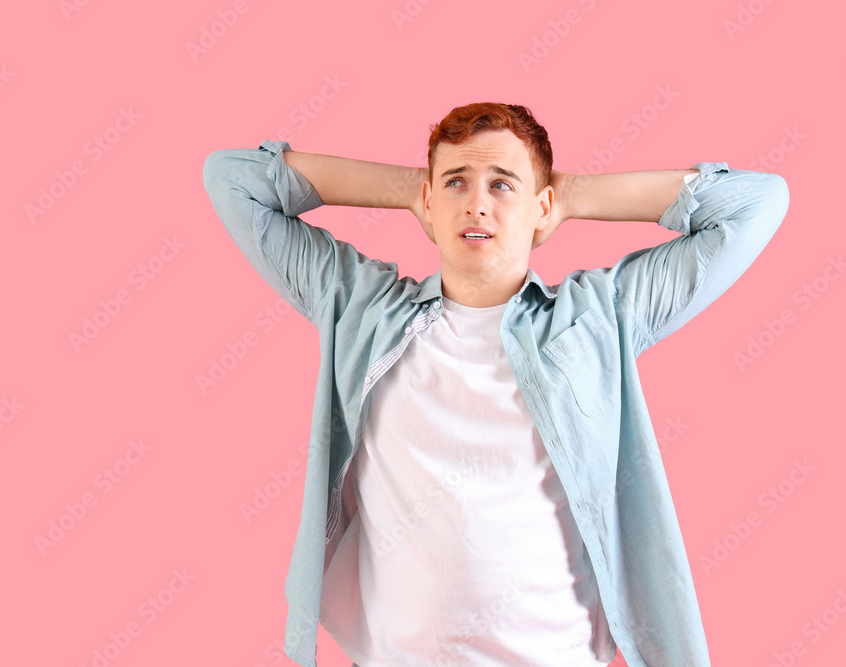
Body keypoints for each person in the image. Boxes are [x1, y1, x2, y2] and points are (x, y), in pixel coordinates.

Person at [201, 102, 790, 667]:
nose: (477, 204)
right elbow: (233, 179)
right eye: (456, 182)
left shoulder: (597, 318)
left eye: (503, 184)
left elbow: (756, 203)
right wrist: (410, 188)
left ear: (541, 205)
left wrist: (573, 196)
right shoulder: (362, 308)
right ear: (430, 203)